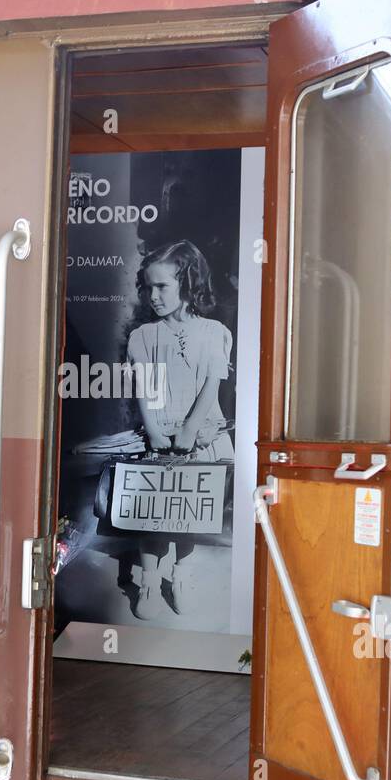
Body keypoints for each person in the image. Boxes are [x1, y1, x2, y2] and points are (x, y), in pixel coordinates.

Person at [124, 240, 233, 620]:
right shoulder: (144, 338)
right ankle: (149, 580)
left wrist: (189, 432)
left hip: (199, 436)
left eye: (163, 287)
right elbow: (144, 389)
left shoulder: (213, 332)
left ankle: (180, 575)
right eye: (148, 287)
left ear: (186, 284)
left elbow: (210, 386)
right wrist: (154, 430)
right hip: (158, 436)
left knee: (188, 513)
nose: (153, 296)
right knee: (150, 514)